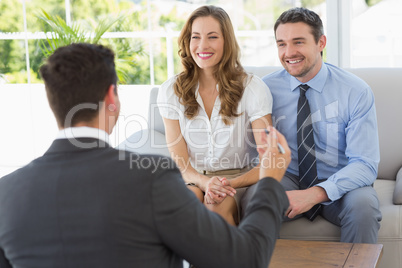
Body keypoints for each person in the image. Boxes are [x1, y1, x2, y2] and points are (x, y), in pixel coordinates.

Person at [0, 43, 290, 268]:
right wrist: (269, 181)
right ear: (112, 98)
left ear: (52, 101)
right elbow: (244, 259)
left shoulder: (5, 194)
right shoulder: (151, 178)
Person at [242, 7, 382, 243]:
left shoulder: (355, 91)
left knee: (364, 207)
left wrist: (315, 194)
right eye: (281, 44)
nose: (289, 52)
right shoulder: (264, 89)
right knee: (258, 198)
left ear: (321, 42)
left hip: (341, 183)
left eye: (298, 42)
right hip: (288, 177)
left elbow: (365, 164)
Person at [157, 5, 273, 225]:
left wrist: (227, 184)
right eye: (195, 37)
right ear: (187, 41)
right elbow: (181, 163)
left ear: (226, 42)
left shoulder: (252, 88)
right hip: (192, 178)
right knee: (184, 206)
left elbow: (268, 160)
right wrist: (205, 183)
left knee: (215, 207)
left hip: (238, 179)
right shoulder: (170, 90)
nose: (202, 45)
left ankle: (223, 259)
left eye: (212, 37)